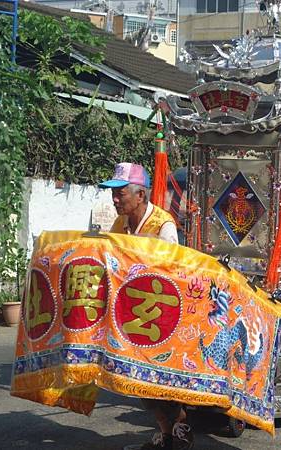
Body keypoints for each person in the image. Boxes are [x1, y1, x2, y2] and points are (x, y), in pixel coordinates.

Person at [99, 162, 194, 450]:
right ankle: (167, 432)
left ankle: (180, 425)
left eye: (121, 194)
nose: (115, 200)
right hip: (129, 313)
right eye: (113, 194)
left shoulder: (163, 225)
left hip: (158, 312)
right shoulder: (119, 224)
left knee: (159, 381)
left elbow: (172, 271)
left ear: (140, 195)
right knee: (134, 380)